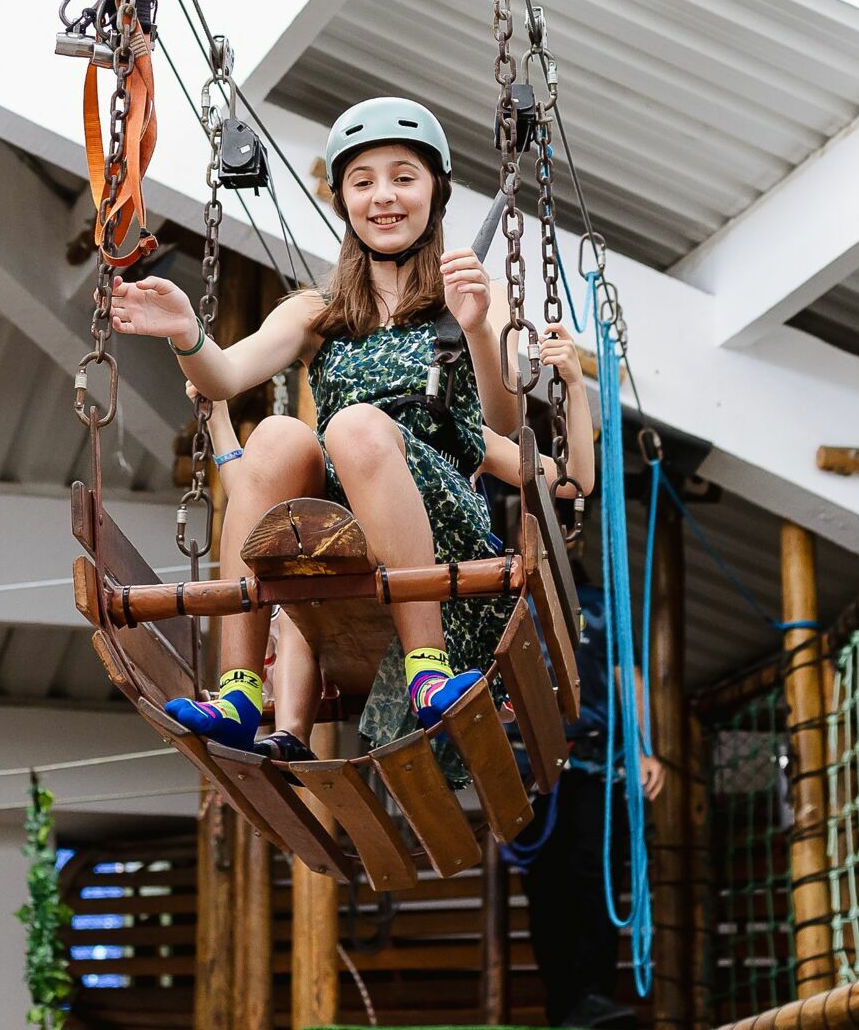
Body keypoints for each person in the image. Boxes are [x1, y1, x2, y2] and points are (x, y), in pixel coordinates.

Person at [108, 97, 524, 766]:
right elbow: (225, 374)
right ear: (345, 202)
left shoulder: (471, 293)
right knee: (275, 436)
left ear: (434, 193)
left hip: (439, 517)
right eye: (363, 182)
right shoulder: (317, 309)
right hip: (339, 523)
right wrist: (189, 334)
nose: (383, 196)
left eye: (403, 177)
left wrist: (476, 325)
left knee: (357, 427)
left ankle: (427, 667)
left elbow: (506, 422)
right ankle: (240, 690)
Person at [251, 322, 598, 763]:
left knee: (319, 588)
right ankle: (291, 732)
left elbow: (574, 481)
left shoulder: (465, 437)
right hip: (356, 586)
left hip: (431, 584)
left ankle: (417, 681)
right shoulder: (349, 444)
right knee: (305, 591)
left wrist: (573, 386)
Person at [513, 560, 665, 1029]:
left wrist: (644, 750)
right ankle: (566, 1006)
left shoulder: (599, 605)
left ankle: (593, 998)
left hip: (596, 765)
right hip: (530, 769)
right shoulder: (502, 600)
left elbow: (629, 678)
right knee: (546, 889)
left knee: (594, 876)